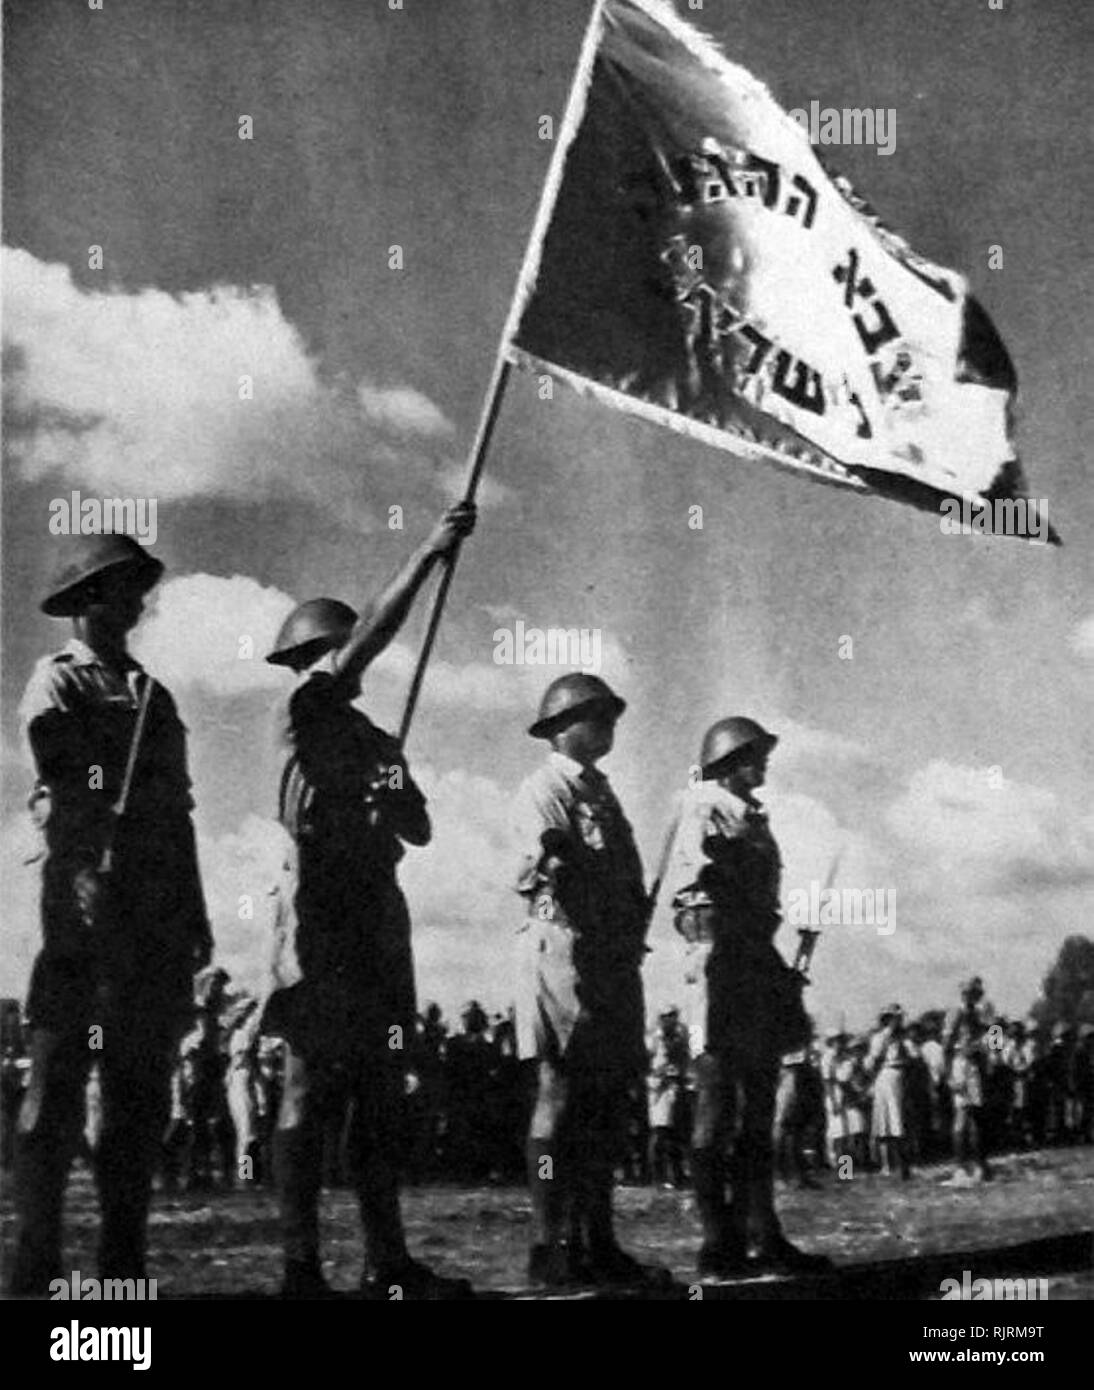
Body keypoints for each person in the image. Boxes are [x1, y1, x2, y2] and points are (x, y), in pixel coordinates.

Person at [262, 501, 475, 1300]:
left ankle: (387, 1260)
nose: (346, 663)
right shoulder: (301, 711)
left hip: (375, 916)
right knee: (309, 1086)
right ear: (312, 659)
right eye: (335, 651)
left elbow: (418, 824)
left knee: (379, 1089)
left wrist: (389, 799)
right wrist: (426, 553)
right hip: (319, 910)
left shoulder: (373, 738)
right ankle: (300, 1268)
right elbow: (372, 641)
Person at [8, 533, 212, 1296]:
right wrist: (92, 865)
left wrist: (191, 909)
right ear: (89, 600)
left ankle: (122, 1270)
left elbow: (180, 811)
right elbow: (62, 771)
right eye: (123, 589)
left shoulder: (155, 695)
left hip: (153, 908)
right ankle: (35, 1270)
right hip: (78, 892)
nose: (136, 604)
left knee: (139, 1092)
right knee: (55, 1086)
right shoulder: (55, 681)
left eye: (138, 589)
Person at [513, 673, 667, 1290]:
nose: (607, 727)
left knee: (605, 1103)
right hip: (562, 950)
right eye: (595, 716)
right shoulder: (543, 788)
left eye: (610, 717)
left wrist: (628, 920)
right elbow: (553, 864)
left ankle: (597, 1240)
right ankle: (550, 1245)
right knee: (560, 1093)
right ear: (561, 726)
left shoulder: (603, 794)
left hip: (609, 958)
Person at [665, 716, 831, 1277]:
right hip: (716, 959)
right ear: (728, 759)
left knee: (759, 1105)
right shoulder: (703, 806)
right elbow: (705, 886)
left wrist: (775, 965)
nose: (763, 763)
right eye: (754, 754)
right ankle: (718, 1242)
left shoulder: (753, 817)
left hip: (754, 958)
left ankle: (763, 1232)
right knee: (716, 1103)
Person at [647, 1006, 691, 1188]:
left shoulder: (679, 1038)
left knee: (674, 1135)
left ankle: (676, 1174)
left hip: (673, 1088)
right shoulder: (654, 1039)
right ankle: (547, 1175)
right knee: (661, 1133)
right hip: (658, 1089)